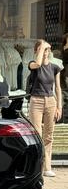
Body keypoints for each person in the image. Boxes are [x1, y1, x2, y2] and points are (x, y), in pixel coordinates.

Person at [28, 39, 63, 177]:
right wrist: (42, 46)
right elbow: (37, 63)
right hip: (36, 101)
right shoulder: (33, 64)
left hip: (50, 101)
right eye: (42, 50)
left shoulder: (55, 67)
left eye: (47, 50)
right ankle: (39, 166)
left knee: (48, 136)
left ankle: (46, 166)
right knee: (37, 134)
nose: (45, 52)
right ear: (37, 51)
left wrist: (59, 106)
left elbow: (58, 88)